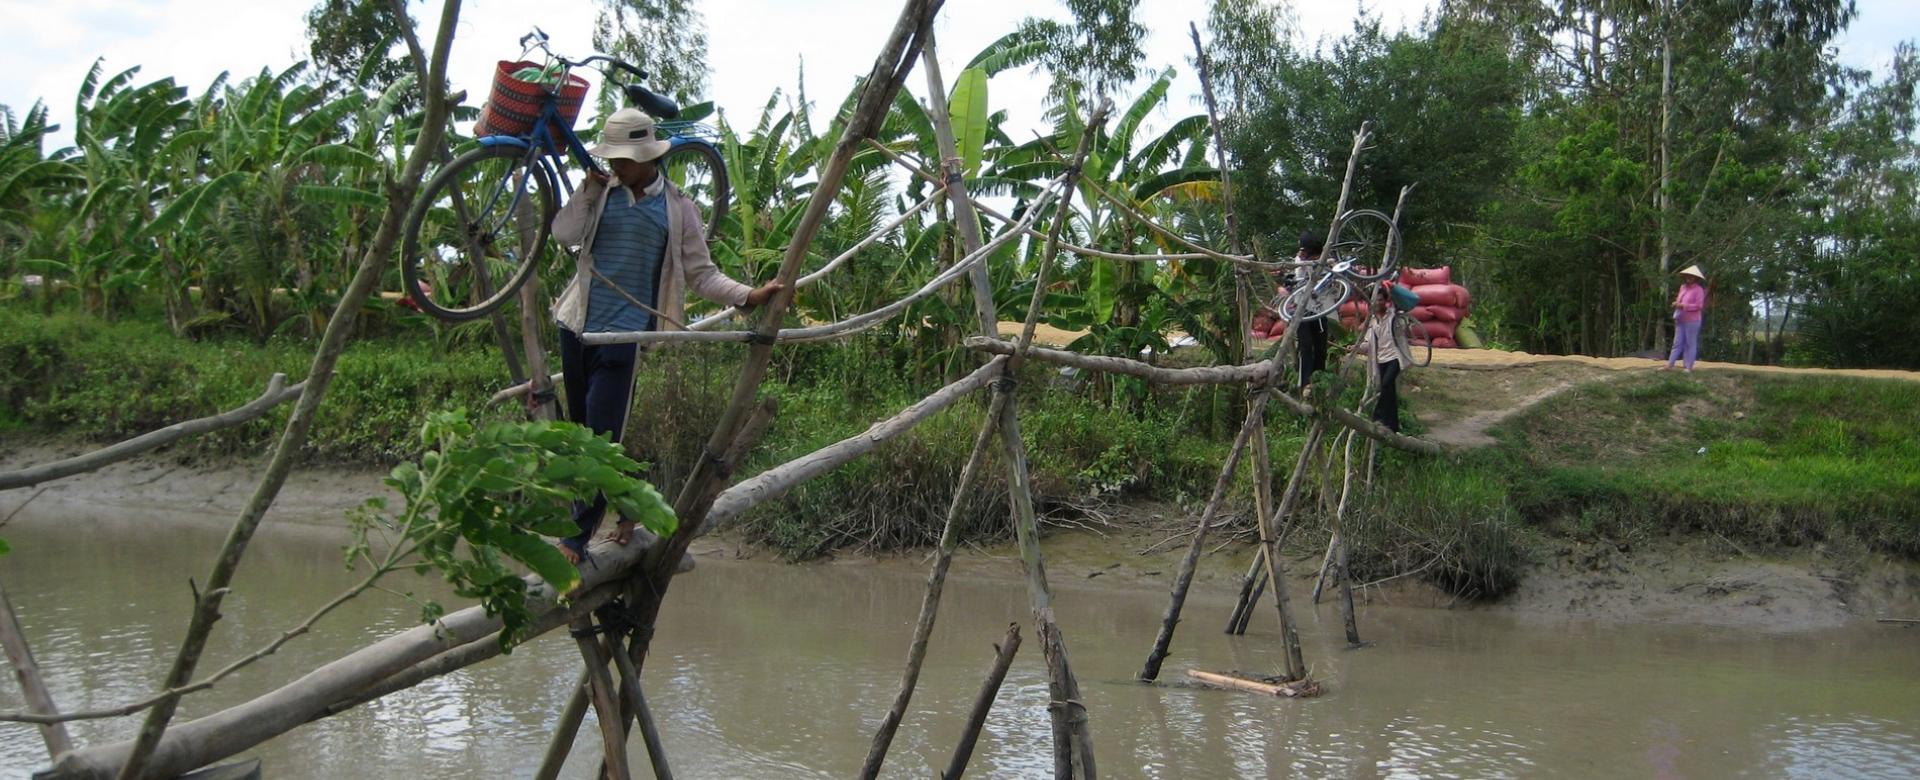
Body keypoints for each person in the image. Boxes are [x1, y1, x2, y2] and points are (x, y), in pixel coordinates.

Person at [548, 108, 784, 565]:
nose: (616, 166)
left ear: (647, 158)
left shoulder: (677, 209)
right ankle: (631, 505)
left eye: (624, 160)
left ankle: (575, 539)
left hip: (623, 339)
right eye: (612, 158)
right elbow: (563, 234)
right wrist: (587, 191)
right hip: (576, 328)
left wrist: (749, 295)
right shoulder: (601, 192)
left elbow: (701, 274)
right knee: (582, 436)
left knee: (599, 434)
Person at [1352, 286, 1403, 432]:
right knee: (1390, 390)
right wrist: (1355, 348)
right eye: (1374, 300)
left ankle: (1378, 416)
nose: (1377, 303)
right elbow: (1368, 343)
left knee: (1386, 385)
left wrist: (1390, 286)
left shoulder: (1393, 315)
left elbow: (1399, 306)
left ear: (1385, 301)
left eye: (1380, 300)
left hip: (1395, 357)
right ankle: (1393, 425)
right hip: (1381, 360)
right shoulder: (1373, 321)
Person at [1291, 230, 1329, 392]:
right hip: (1301, 309)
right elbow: (1299, 272)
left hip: (1319, 309)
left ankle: (1319, 381)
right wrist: (1306, 260)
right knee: (1306, 346)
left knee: (1321, 348)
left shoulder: (1322, 261)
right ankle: (1305, 383)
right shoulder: (1299, 260)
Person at [1666, 265, 1707, 373]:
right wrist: (1677, 304)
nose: (1689, 278)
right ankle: (1670, 364)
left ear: (1696, 278)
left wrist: (1683, 306)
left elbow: (1699, 306)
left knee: (1690, 343)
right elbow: (1680, 300)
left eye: (1691, 276)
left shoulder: (1699, 290)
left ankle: (1688, 366)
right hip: (1680, 319)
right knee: (1677, 342)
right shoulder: (1683, 287)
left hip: (1692, 320)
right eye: (1687, 276)